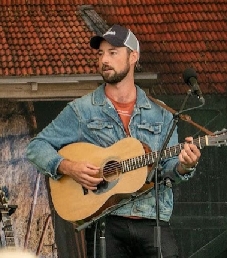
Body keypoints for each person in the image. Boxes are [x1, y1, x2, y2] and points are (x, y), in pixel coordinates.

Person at [26, 24, 201, 258]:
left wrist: (184, 165)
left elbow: (167, 168)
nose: (104, 59)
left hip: (153, 220)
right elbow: (36, 147)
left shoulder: (162, 114)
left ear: (133, 57)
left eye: (113, 52)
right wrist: (69, 167)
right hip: (105, 222)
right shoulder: (82, 110)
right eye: (101, 54)